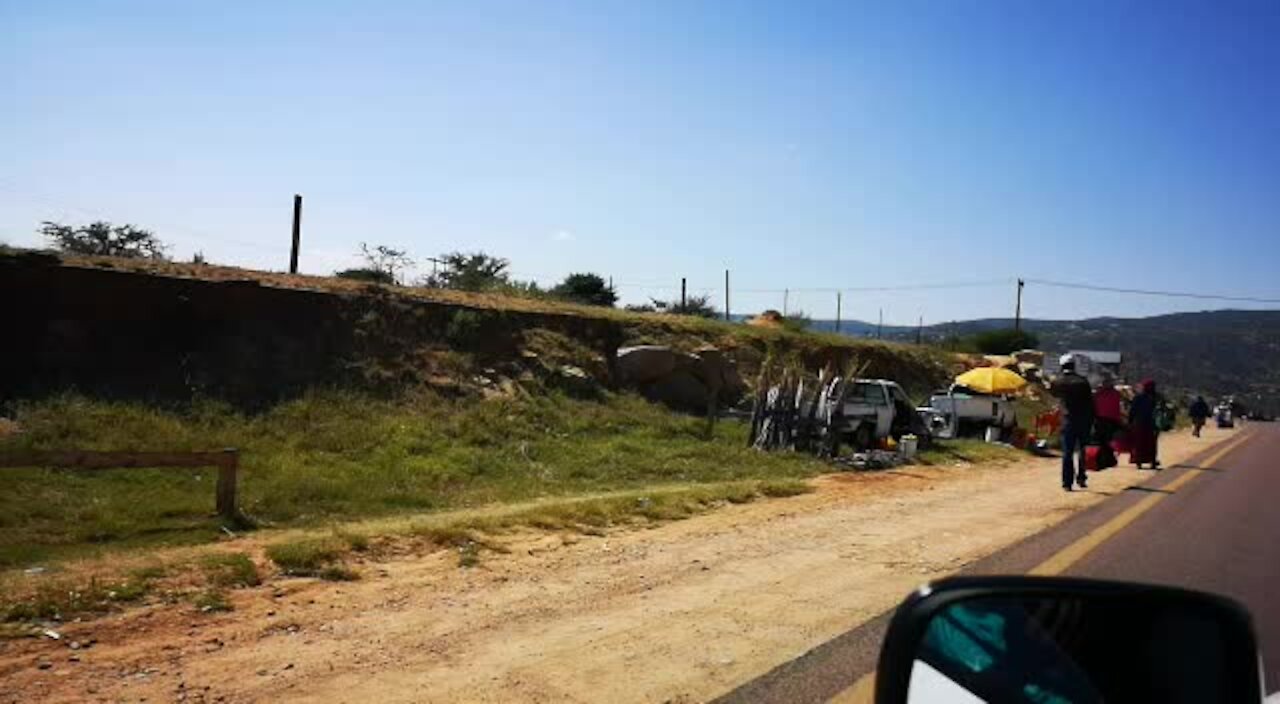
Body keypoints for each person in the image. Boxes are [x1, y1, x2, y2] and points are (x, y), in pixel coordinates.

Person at [1050, 354, 1094, 491]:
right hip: (1083, 419)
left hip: (1067, 420)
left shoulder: (1058, 382)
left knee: (1067, 452)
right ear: (1074, 366)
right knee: (1082, 450)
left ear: (1062, 366)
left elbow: (1054, 395)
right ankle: (1081, 477)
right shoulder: (1083, 381)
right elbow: (1090, 402)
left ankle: (1067, 483)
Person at [1092, 375, 1124, 469]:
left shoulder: (1099, 393)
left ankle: (1107, 460)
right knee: (1106, 440)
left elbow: (1094, 403)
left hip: (1103, 420)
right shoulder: (1115, 393)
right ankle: (1108, 460)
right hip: (1110, 420)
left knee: (1103, 441)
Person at [1129, 379, 1161, 469]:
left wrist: (1130, 422)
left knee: (1139, 443)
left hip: (1139, 423)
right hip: (1152, 424)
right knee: (1152, 444)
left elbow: (1132, 411)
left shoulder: (1138, 397)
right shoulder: (1156, 397)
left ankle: (1139, 461)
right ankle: (1153, 461)